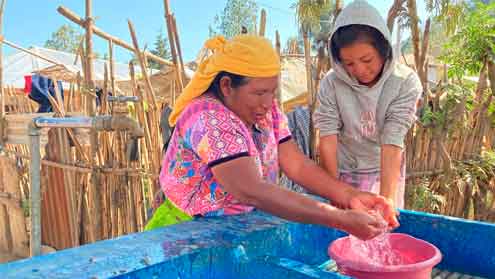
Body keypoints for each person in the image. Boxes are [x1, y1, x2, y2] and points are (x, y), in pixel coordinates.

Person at [146, 34, 398, 240]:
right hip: (184, 231)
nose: (268, 103)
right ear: (226, 86)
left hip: (235, 226)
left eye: (272, 92)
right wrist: (340, 219)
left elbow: (297, 165)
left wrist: (349, 196)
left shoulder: (267, 112)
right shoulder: (206, 117)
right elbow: (250, 190)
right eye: (259, 93)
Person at [314, 0, 422, 209]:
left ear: (383, 50)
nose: (360, 70)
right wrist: (335, 191)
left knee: (381, 226)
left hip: (385, 171)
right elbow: (327, 137)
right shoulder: (331, 83)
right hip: (344, 170)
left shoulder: (405, 82)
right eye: (349, 64)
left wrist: (386, 202)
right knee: (344, 228)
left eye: (367, 59)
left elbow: (392, 140)